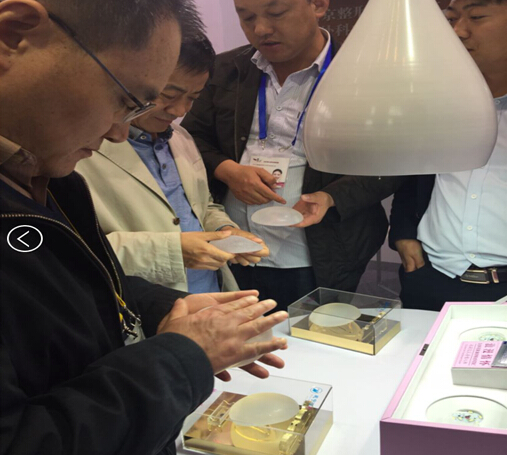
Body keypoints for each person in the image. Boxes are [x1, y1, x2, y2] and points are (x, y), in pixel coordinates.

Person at [0, 1, 288, 454]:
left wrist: (161, 309)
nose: (120, 131)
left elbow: (78, 282)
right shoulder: (63, 159)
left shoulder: (45, 173)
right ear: (15, 34)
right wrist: (181, 356)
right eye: (126, 99)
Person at [182, 0, 404, 310]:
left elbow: (393, 161)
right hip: (235, 244)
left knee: (315, 331)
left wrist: (330, 197)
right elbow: (191, 137)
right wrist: (226, 169)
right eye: (247, 17)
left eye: (276, 13)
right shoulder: (226, 69)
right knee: (241, 332)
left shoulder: (366, 73)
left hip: (325, 248)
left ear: (318, 5)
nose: (261, 29)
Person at [77, 35, 269, 293]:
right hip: (144, 304)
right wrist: (173, 250)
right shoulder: (80, 153)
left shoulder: (181, 138)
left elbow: (202, 206)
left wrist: (224, 231)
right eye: (168, 95)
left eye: (193, 98)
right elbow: (75, 250)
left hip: (211, 293)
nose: (180, 111)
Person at [389, 0, 507, 311]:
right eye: (451, 18)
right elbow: (412, 173)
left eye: (476, 16)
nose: (458, 31)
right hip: (431, 276)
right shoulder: (436, 98)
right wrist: (403, 233)